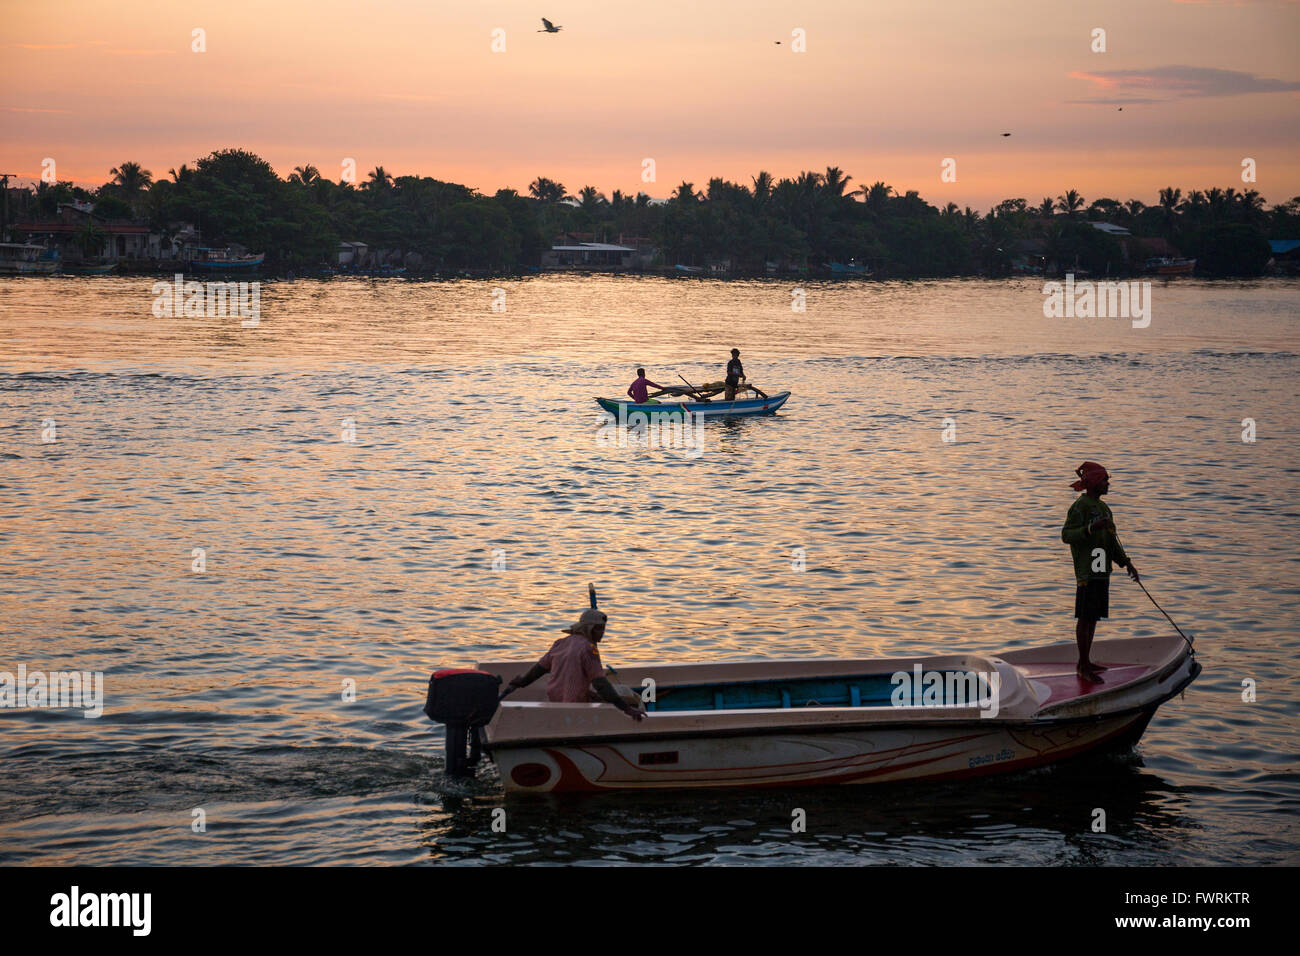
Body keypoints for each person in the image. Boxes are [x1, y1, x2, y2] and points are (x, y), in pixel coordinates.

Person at [1060, 461, 1139, 684]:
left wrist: (1127, 564)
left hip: (1102, 569)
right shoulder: (1081, 506)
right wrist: (1091, 528)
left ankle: (1086, 661)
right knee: (1084, 617)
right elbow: (1066, 535)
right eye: (1105, 480)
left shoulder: (1104, 509)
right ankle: (1082, 665)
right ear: (1094, 482)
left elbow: (1112, 542)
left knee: (1094, 616)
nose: (1108, 484)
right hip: (1087, 570)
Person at [507, 608, 645, 720]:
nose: (603, 633)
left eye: (603, 628)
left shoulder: (560, 643)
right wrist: (626, 709)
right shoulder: (588, 648)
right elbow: (600, 684)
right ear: (590, 629)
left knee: (601, 695)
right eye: (599, 629)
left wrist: (522, 682)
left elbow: (539, 670)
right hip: (576, 706)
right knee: (633, 701)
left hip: (555, 700)